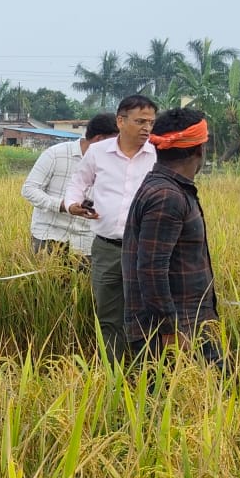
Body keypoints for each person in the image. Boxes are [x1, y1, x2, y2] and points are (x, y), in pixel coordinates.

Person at [63, 94, 158, 362]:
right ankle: (113, 371)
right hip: (106, 247)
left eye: (151, 122)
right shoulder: (97, 152)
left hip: (144, 249)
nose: (146, 128)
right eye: (140, 121)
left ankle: (145, 372)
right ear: (121, 121)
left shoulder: (157, 154)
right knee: (108, 312)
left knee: (144, 313)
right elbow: (77, 183)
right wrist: (73, 204)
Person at [122, 107, 221, 364]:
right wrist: (170, 331)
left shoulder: (167, 188)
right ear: (199, 149)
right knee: (197, 398)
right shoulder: (167, 196)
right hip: (176, 330)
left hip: (186, 322)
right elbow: (152, 269)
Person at [21, 113, 119, 259]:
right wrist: (63, 205)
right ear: (99, 140)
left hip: (85, 243)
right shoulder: (56, 154)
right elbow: (29, 190)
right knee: (44, 281)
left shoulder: (114, 165)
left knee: (81, 282)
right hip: (49, 236)